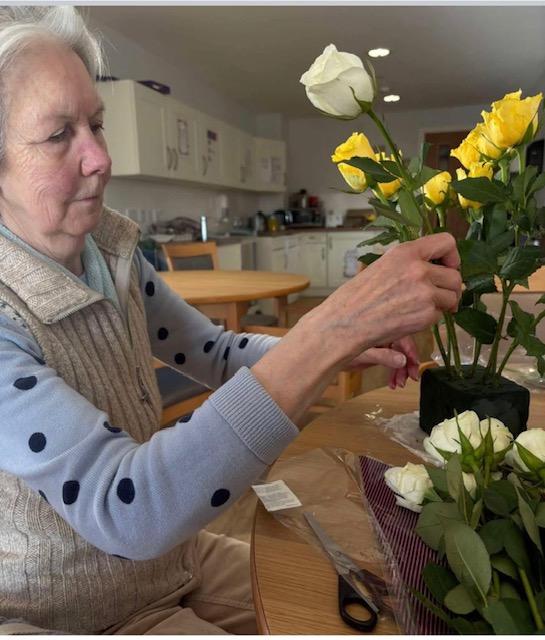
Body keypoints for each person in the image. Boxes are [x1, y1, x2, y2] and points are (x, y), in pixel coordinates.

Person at [0, 6, 462, 635]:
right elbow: (127, 508)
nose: (99, 158)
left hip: (172, 561)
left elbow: (214, 352)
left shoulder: (111, 251)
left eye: (97, 124)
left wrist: (331, 347)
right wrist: (332, 329)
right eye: (59, 135)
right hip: (74, 612)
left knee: (379, 607)